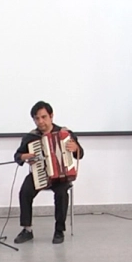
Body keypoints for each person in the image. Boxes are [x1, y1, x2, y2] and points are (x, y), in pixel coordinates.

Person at [13, 101, 84, 244]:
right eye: (37, 118)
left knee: (62, 193)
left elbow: (80, 154)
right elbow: (17, 156)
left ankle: (59, 230)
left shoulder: (65, 133)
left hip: (60, 177)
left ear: (51, 116)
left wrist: (75, 147)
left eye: (44, 117)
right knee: (25, 191)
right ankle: (27, 230)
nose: (40, 121)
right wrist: (25, 156)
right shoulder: (31, 137)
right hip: (39, 174)